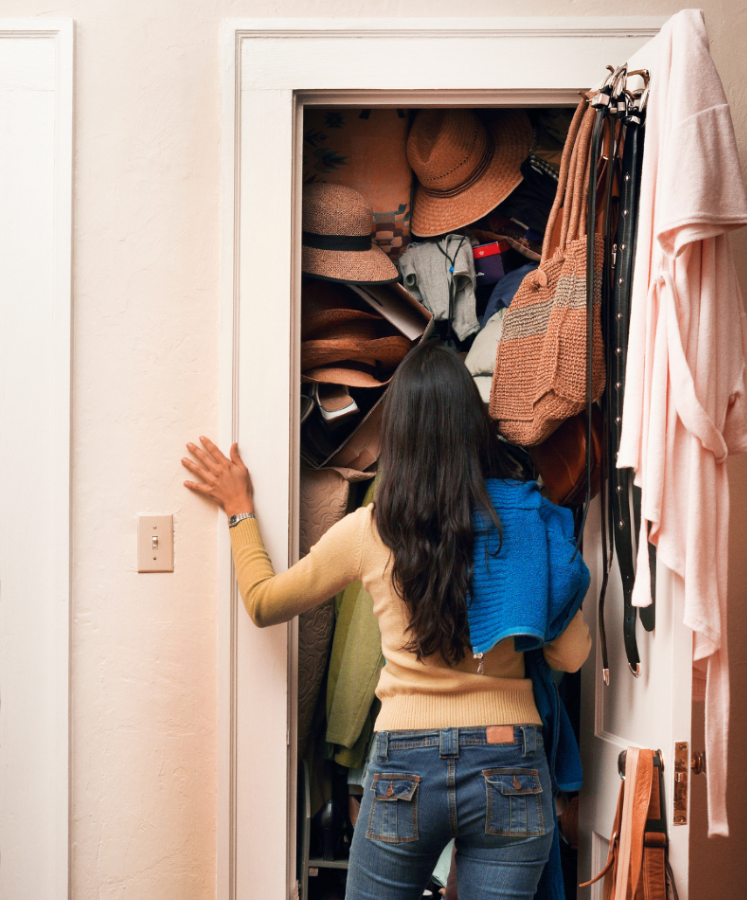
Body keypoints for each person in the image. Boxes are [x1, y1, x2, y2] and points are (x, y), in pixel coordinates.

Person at [182, 340, 592, 900]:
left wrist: (239, 510)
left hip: (407, 762)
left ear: (397, 435)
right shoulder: (525, 519)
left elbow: (263, 601)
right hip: (509, 756)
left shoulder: (369, 529)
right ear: (475, 428)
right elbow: (570, 655)